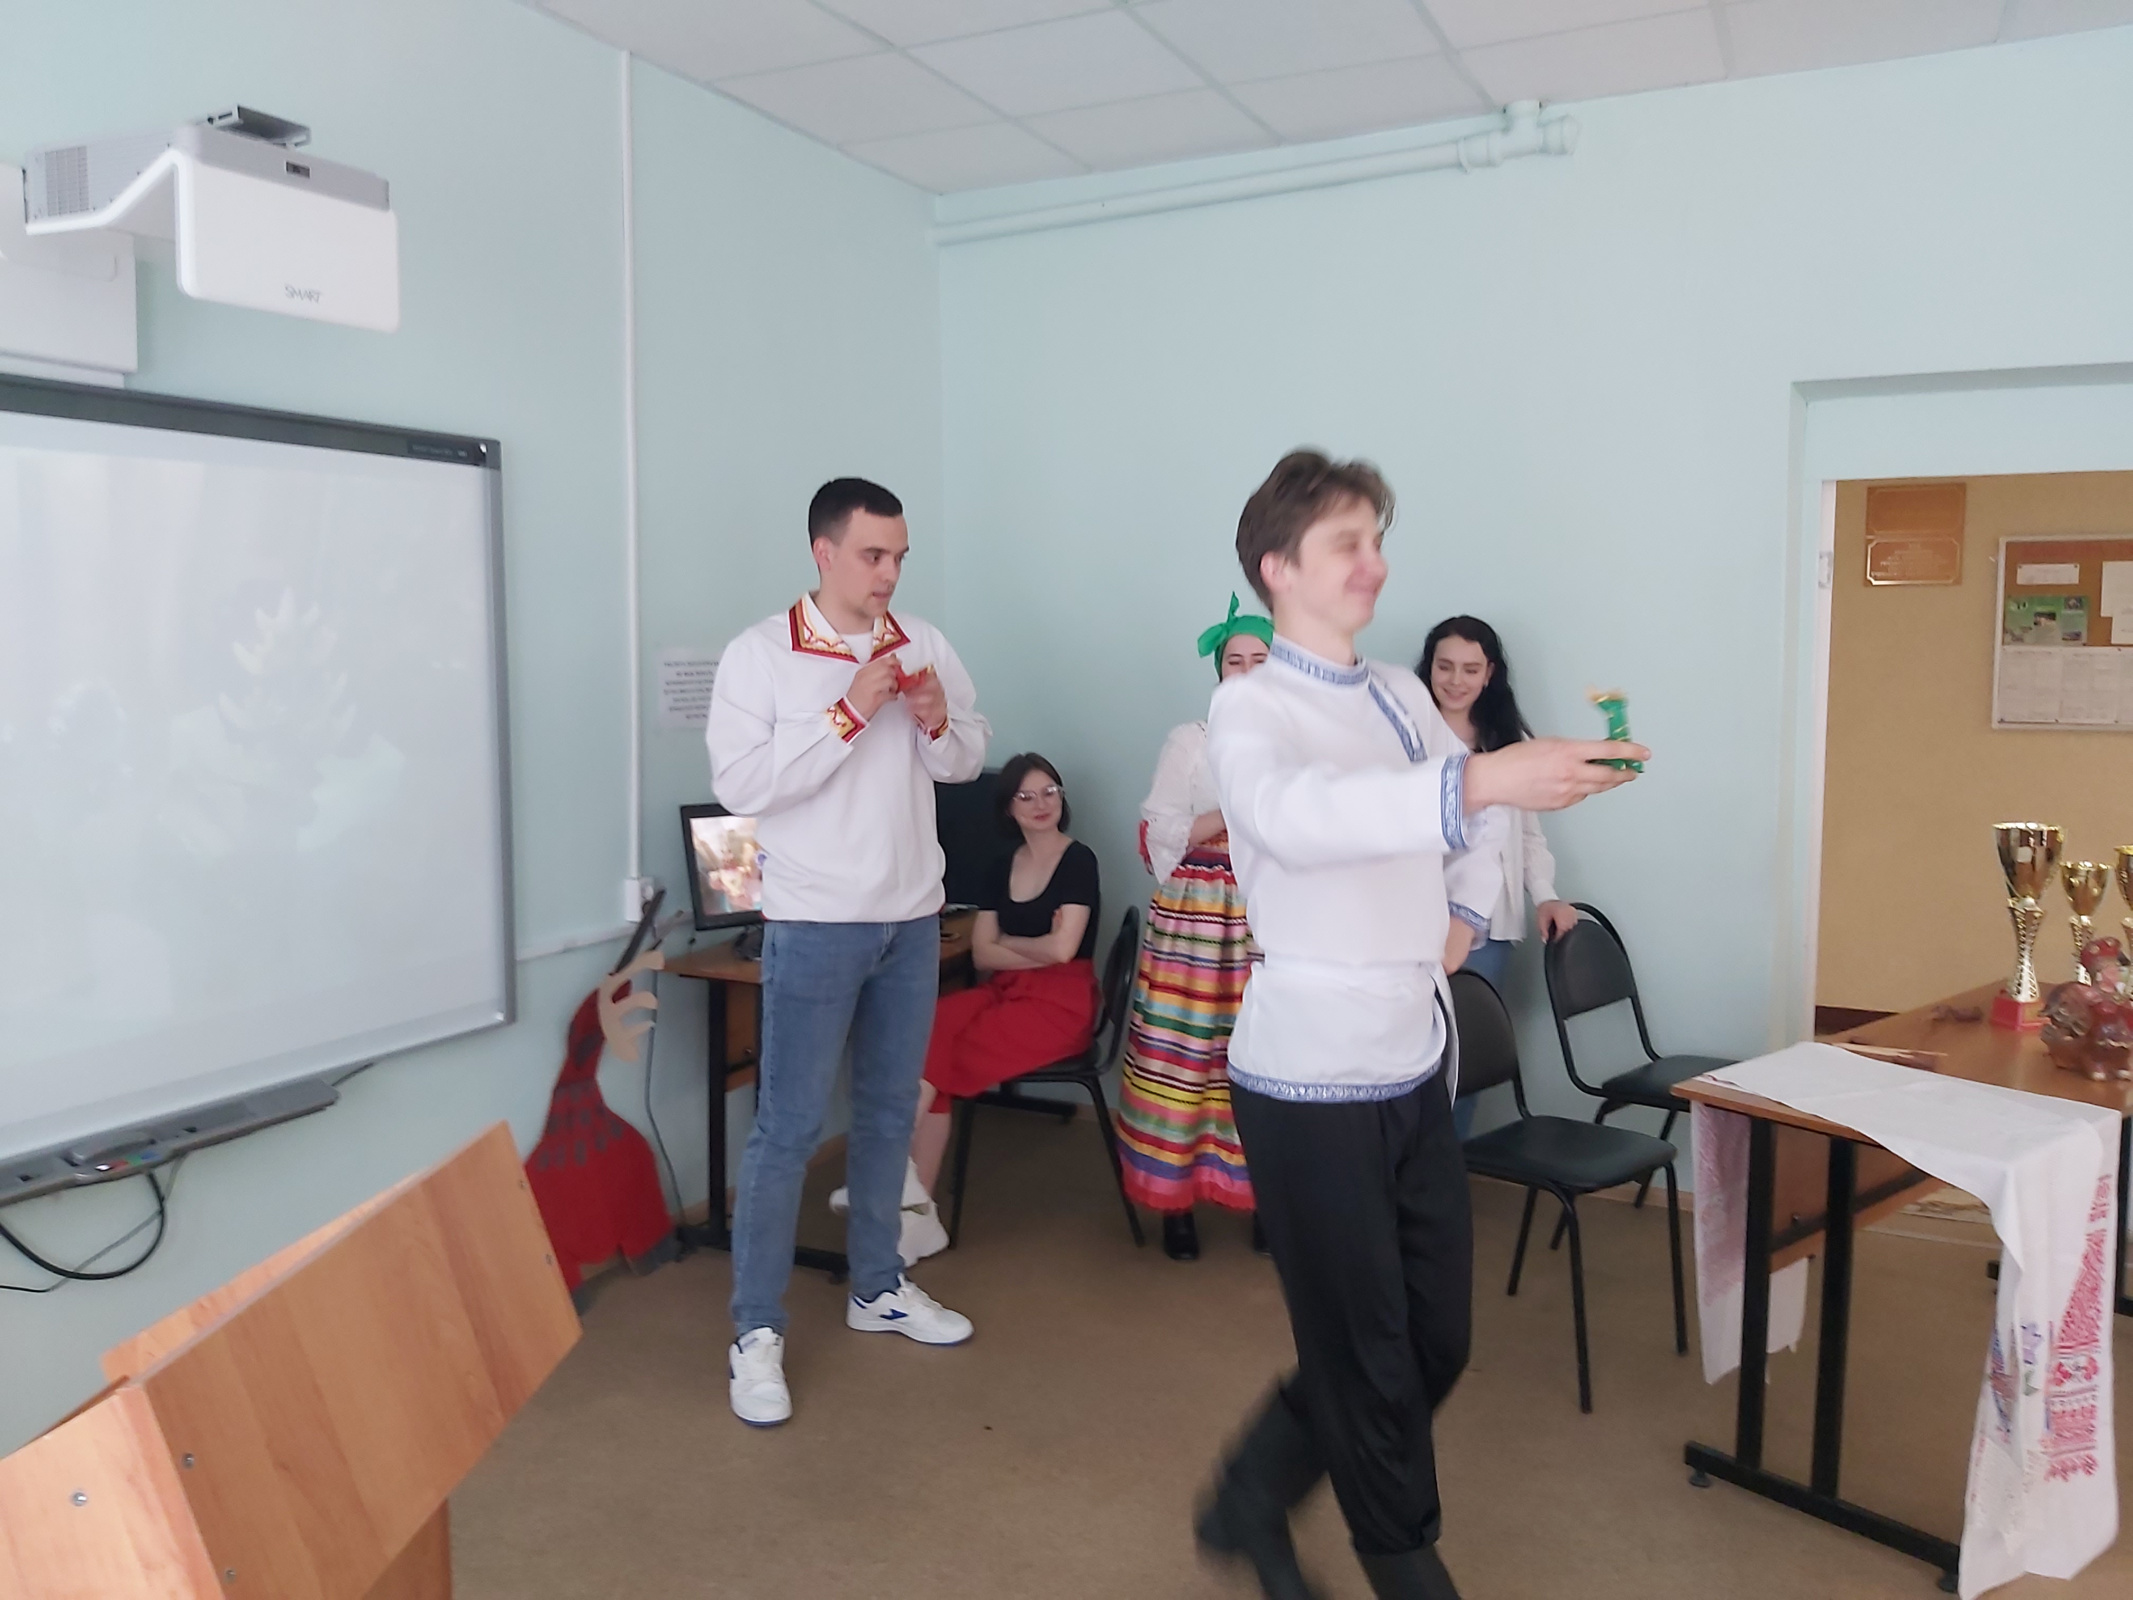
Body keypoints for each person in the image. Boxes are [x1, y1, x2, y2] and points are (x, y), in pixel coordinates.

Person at [1194, 451, 1645, 1600]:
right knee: (1367, 1349)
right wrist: (1486, 782)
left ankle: (1252, 1486)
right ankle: (1403, 1560)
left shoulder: (1399, 694)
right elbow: (1294, 817)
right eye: (1347, 543)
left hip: (1411, 1058)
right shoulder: (1250, 705)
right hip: (1307, 1077)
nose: (1375, 563)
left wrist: (1460, 914)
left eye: (1378, 540)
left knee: (1434, 1339)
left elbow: (1476, 822)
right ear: (1276, 566)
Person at [705, 476, 991, 1430]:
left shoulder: (923, 641)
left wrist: (937, 718)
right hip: (814, 921)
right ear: (823, 553)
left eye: (899, 556)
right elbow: (742, 786)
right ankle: (755, 1331)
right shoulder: (760, 654)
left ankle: (877, 1287)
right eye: (873, 555)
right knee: (786, 1131)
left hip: (911, 920)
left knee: (884, 1115)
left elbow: (964, 762)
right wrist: (847, 712)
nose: (889, 573)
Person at [1117, 594, 1270, 1261]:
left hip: (1268, 918)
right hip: (1194, 923)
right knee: (1182, 1057)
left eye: (1261, 659)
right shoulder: (1192, 741)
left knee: (1265, 1059)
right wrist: (1233, 814)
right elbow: (1159, 831)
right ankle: (1174, 1204)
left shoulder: (1301, 742)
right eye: (1234, 660)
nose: (1247, 671)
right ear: (1218, 670)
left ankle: (1266, 1196)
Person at [898, 753, 1101, 1242]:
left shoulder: (1079, 860)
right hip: (1005, 989)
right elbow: (984, 954)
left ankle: (899, 1193)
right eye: (1025, 796)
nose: (1040, 804)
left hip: (1061, 1004)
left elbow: (1064, 951)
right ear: (1008, 808)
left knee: (937, 1064)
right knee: (929, 1028)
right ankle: (910, 1204)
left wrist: (1011, 942)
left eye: (1049, 792)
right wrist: (1035, 946)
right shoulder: (999, 866)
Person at [1418, 617, 1578, 997]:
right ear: (1429, 668)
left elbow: (1527, 836)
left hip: (1493, 927)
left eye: (1471, 670)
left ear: (1489, 674)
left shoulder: (1510, 742)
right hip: (1424, 922)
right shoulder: (1410, 737)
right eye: (1445, 667)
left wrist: (1545, 896)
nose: (1456, 681)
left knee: (1480, 1027)